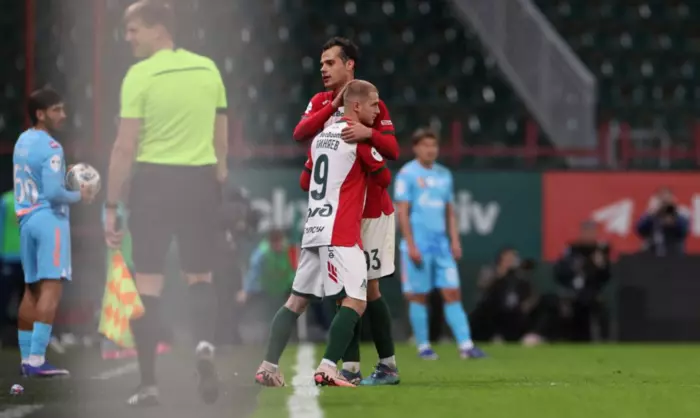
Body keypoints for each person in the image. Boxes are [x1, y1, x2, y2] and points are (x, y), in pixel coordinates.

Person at [102, 0, 228, 407]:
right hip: (199, 180)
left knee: (148, 283)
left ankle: (148, 385)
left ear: (159, 28)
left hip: (153, 184)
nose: (128, 37)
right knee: (201, 276)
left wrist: (110, 204)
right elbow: (221, 138)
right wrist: (217, 178)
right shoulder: (208, 69)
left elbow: (124, 147)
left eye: (133, 29)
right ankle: (204, 347)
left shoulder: (139, 75)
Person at [255, 80, 392, 388]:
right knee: (356, 300)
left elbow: (306, 181)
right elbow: (384, 178)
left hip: (313, 228)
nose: (377, 111)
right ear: (356, 106)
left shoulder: (319, 139)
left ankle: (267, 366)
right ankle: (329, 367)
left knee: (295, 301)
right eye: (373, 104)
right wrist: (370, 142)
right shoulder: (358, 139)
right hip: (341, 231)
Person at [292, 37, 400, 386]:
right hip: (338, 212)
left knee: (369, 289)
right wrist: (332, 108)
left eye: (330, 62)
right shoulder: (320, 102)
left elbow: (392, 149)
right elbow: (301, 133)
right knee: (345, 291)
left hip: (371, 211)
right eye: (321, 64)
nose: (323, 69)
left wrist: (369, 133)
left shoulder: (369, 101)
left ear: (349, 64)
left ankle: (387, 365)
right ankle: (350, 367)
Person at [13, 87, 94, 377]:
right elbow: (53, 193)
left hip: (26, 220)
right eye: (56, 110)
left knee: (31, 290)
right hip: (50, 221)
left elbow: (39, 179)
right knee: (52, 287)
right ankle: (37, 361)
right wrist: (81, 195)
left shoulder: (22, 140)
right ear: (40, 114)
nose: (63, 115)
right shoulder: (52, 146)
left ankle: (26, 358)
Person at [394, 128, 485, 359]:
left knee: (452, 292)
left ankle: (466, 346)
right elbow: (402, 212)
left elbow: (449, 211)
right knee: (419, 296)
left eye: (433, 145)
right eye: (425, 145)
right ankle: (423, 346)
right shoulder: (407, 174)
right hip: (418, 245)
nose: (430, 149)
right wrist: (410, 244)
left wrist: (455, 240)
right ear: (416, 148)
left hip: (442, 246)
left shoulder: (444, 174)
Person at [635, 187, 689, 256]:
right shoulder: (652, 214)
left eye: (667, 199)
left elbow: (684, 231)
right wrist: (651, 213)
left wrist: (674, 218)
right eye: (662, 199)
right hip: (653, 253)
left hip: (674, 254)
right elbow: (639, 229)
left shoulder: (680, 212)